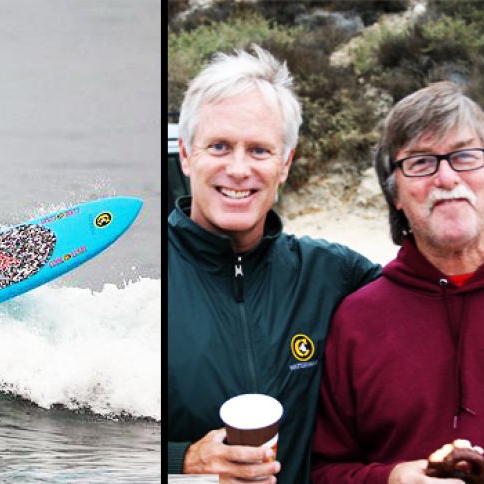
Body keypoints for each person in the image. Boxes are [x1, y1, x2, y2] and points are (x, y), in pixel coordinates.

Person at [167, 44, 381, 483]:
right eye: (220, 146)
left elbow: (425, 293)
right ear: (187, 155)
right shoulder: (149, 277)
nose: (240, 169)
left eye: (260, 151)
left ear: (285, 164)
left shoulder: (330, 274)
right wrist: (180, 462)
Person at [311, 81, 484, 483]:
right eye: (420, 162)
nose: (446, 176)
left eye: (465, 155)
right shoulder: (357, 322)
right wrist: (391, 479)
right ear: (396, 196)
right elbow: (321, 471)